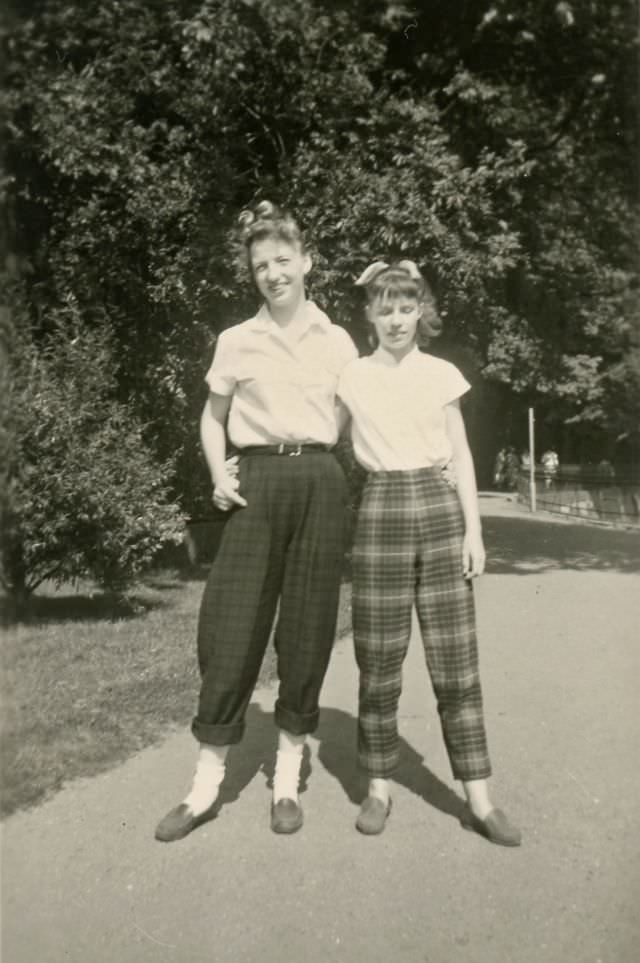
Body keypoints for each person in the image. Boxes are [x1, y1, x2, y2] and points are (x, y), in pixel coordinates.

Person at [155, 201, 357, 842]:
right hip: (257, 484)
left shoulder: (338, 339)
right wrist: (219, 474)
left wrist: (320, 455)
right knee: (231, 626)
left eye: (282, 261)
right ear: (252, 273)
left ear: (306, 262)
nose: (272, 273)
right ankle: (205, 783)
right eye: (260, 264)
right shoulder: (236, 340)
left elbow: (349, 413)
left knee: (307, 627)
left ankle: (288, 777)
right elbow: (212, 418)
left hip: (321, 482)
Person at [336, 260, 521, 846]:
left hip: (439, 511)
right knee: (379, 663)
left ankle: (481, 798)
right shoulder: (352, 377)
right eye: (384, 308)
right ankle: (378, 789)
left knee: (456, 665)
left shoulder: (443, 374)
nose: (396, 320)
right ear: (369, 314)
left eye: (405, 307)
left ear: (422, 312)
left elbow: (462, 457)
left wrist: (475, 532)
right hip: (381, 510)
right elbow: (316, 432)